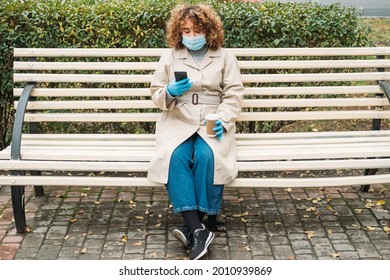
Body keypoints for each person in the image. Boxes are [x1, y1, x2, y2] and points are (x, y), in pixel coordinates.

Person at [147, 3, 244, 260]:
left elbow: (234, 95)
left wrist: (222, 118)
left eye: (196, 30)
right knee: (175, 157)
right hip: (178, 118)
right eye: (186, 31)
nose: (191, 36)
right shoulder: (170, 57)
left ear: (208, 30)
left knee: (207, 157)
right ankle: (199, 228)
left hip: (212, 118)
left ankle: (194, 227)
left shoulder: (225, 57)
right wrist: (169, 92)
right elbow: (156, 93)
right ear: (179, 32)